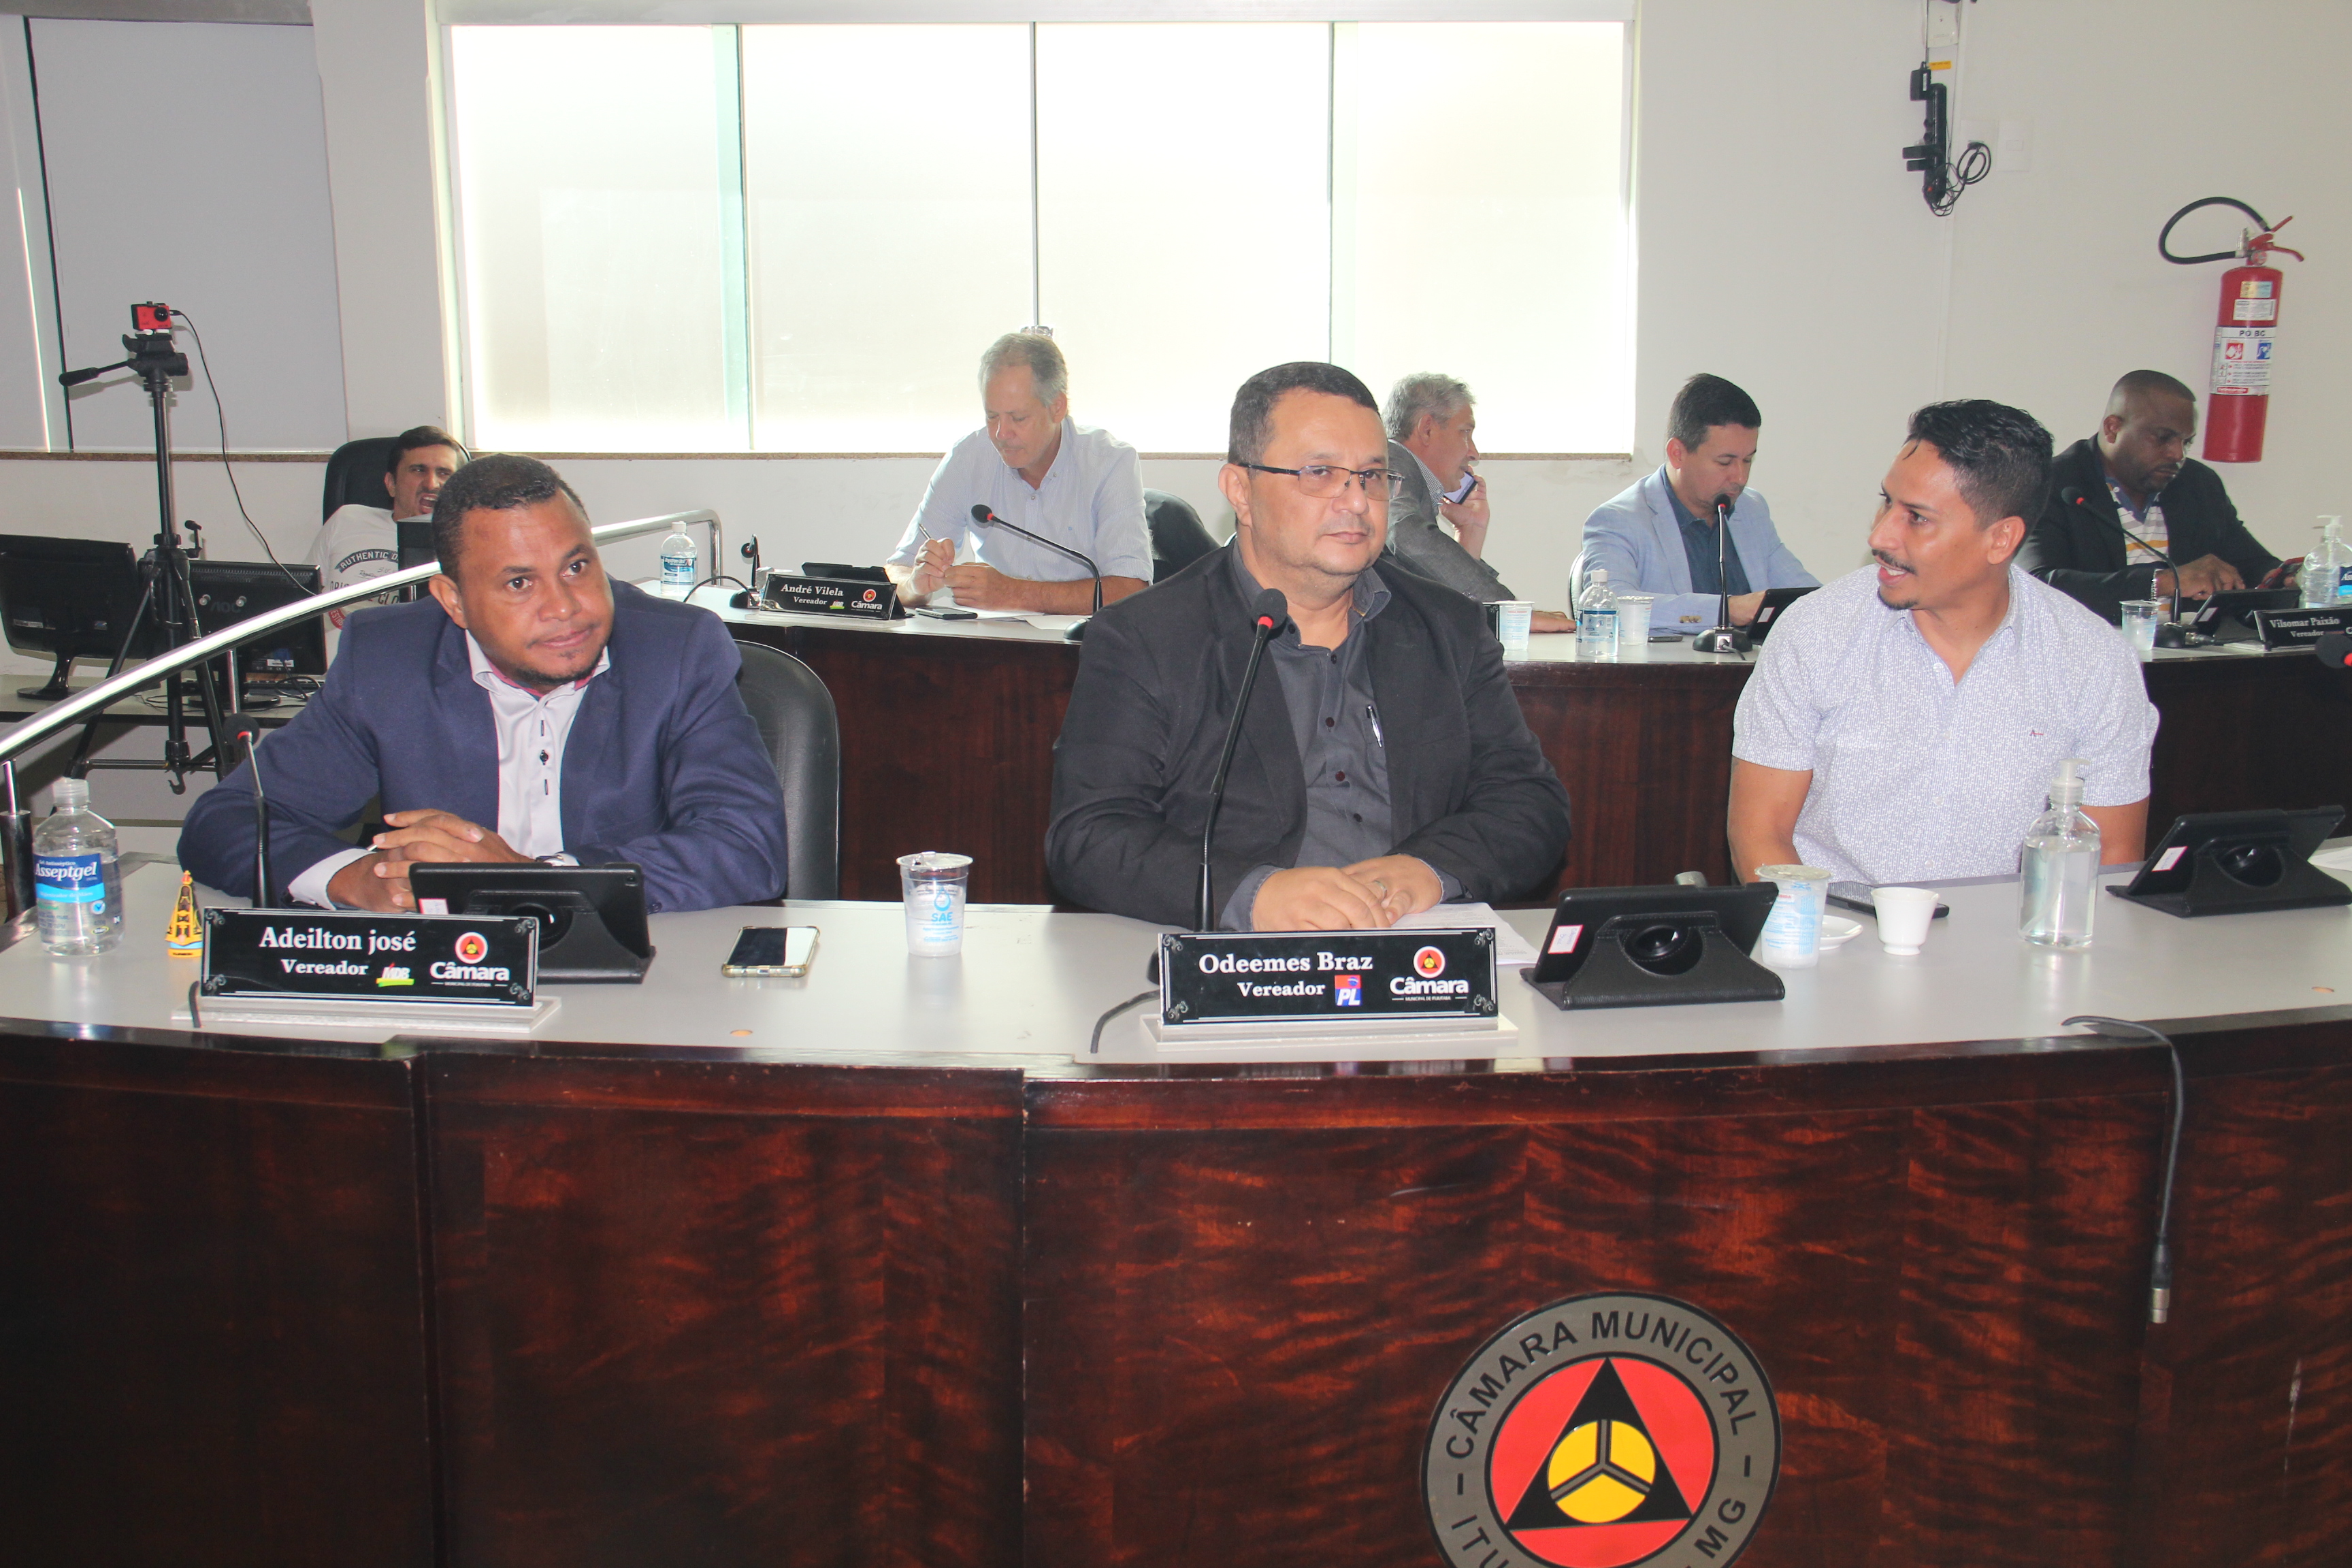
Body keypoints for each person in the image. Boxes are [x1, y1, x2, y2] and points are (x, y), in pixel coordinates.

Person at [1046, 361, 1571, 931]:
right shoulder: (1145, 638)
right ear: (1241, 491)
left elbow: (1529, 803)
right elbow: (1090, 835)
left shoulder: (1448, 627)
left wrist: (1428, 870)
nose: (1356, 501)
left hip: (1412, 945)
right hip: (1235, 955)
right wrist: (1254, 896)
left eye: (1372, 476)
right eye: (1320, 472)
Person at [181, 454, 789, 915]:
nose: (565, 607)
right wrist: (354, 879)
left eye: (577, 567)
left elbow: (746, 847)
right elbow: (227, 821)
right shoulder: (388, 661)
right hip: (449, 986)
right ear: (453, 600)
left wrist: (534, 880)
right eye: (519, 584)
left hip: (638, 973)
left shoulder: (676, 651)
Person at [1728, 400, 2157, 886]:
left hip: (2012, 933)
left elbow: (2111, 862)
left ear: (2001, 539)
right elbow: (1760, 836)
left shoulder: (2094, 661)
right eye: (1887, 501)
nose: (1880, 535)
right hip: (1835, 925)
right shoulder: (1816, 633)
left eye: (1917, 517)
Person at [885, 331, 1152, 613]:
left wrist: (1014, 593)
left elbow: (1131, 590)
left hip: (1079, 638)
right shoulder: (968, 458)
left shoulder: (1109, 463)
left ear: (1057, 408)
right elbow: (895, 571)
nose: (1001, 433)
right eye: (992, 417)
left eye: (1018, 418)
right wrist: (915, 585)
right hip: (993, 638)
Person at [2018, 370, 2281, 623]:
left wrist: (2281, 576)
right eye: (2164, 438)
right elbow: (2037, 586)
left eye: (2186, 442)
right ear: (2113, 428)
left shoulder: (2197, 483)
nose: (2178, 454)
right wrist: (2163, 582)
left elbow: (2248, 561)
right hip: (2090, 646)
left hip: (2190, 648)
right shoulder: (2053, 484)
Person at [1578, 374, 1818, 635]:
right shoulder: (1618, 520)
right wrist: (1728, 609)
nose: (1740, 477)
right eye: (1725, 462)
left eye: (1748, 460)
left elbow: (1806, 596)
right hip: (1672, 662)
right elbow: (1611, 606)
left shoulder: (1751, 509)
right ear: (1678, 454)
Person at [1382, 373, 1569, 631]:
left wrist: (1469, 531)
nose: (1474, 453)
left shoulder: (1403, 474)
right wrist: (1507, 611)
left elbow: (1435, 596)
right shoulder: (1391, 464)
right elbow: (1406, 534)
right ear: (1427, 429)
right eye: (1465, 433)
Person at [311, 425, 466, 647]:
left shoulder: (466, 544)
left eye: (443, 473)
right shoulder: (346, 520)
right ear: (392, 484)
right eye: (418, 470)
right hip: (325, 663)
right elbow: (302, 597)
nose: (432, 484)